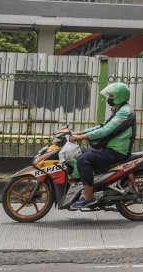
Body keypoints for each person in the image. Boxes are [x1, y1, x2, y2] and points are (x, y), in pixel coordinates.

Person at [57, 82, 135, 210]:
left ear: (118, 96)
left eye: (111, 95)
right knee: (79, 153)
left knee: (83, 160)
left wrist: (80, 137)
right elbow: (102, 126)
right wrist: (78, 133)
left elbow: (105, 131)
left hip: (117, 150)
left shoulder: (124, 112)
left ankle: (88, 198)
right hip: (110, 147)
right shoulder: (119, 109)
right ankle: (89, 186)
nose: (108, 98)